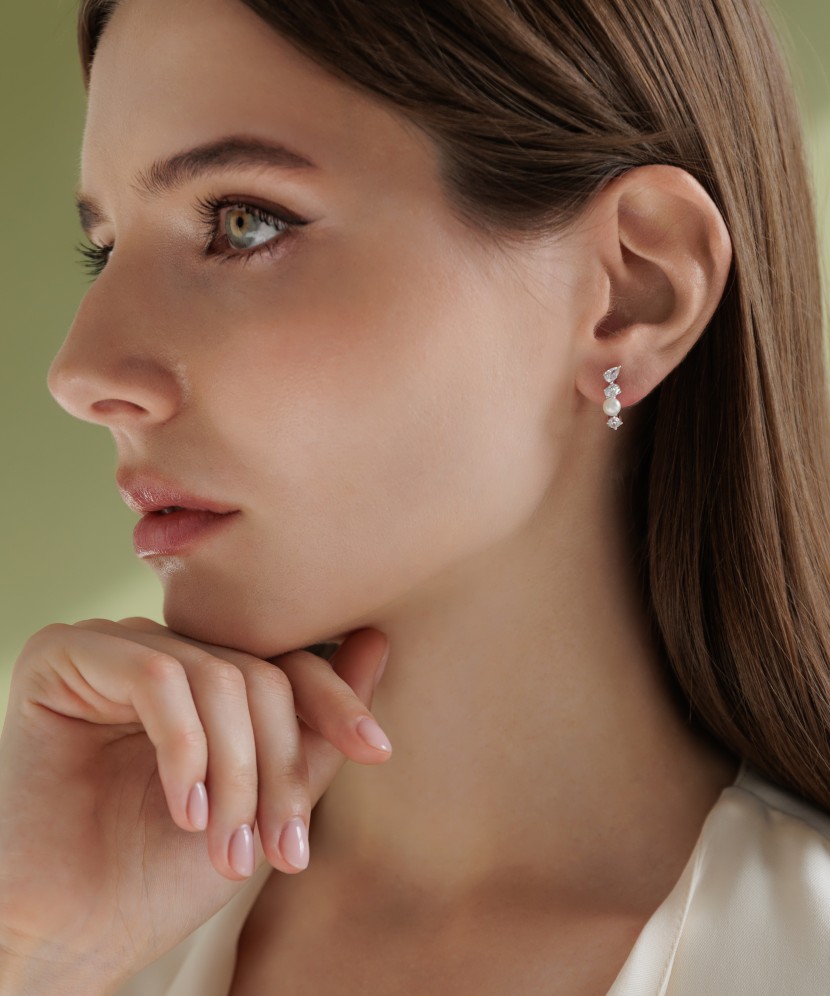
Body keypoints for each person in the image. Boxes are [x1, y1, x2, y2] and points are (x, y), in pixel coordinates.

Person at [1, 0, 829, 992]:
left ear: (630, 289)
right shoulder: (75, 926)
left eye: (243, 221)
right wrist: (33, 956)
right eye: (105, 246)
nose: (82, 371)